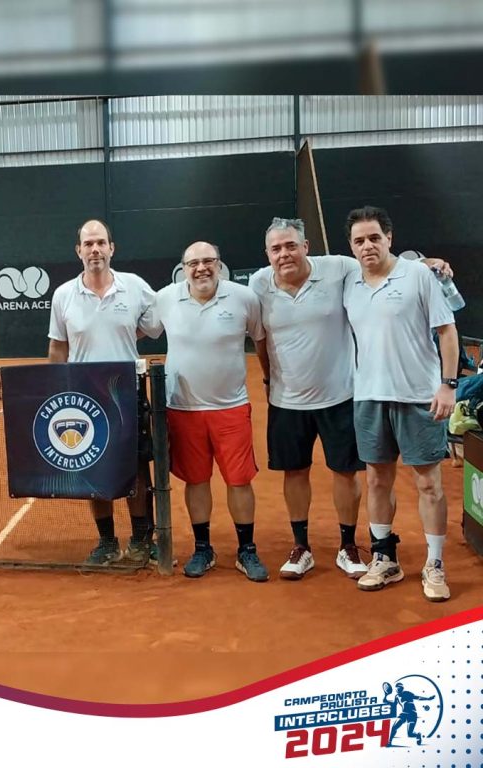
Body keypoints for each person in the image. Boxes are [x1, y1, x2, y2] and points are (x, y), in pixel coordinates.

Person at [343, 206, 458, 601]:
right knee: (377, 480)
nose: (367, 246)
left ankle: (435, 563)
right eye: (359, 240)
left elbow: (447, 331)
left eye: (375, 237)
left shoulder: (418, 276)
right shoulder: (349, 282)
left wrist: (448, 385)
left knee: (428, 483)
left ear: (389, 238)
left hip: (418, 397)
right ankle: (384, 558)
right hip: (369, 397)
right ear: (351, 247)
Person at [249, 218, 368, 580]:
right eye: (276, 249)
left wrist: (424, 263)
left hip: (340, 396)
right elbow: (260, 341)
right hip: (287, 400)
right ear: (267, 253)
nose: (284, 254)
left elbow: (381, 265)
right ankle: (301, 547)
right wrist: (268, 379)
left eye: (290, 246)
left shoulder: (340, 268)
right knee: (295, 471)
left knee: (345, 471)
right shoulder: (259, 284)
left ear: (306, 246)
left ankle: (348, 546)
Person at [149, 242, 269, 581]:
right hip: (183, 409)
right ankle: (203, 549)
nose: (201, 268)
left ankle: (247, 550)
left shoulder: (244, 298)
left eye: (208, 261)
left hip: (231, 408)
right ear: (183, 268)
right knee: (196, 480)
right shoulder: (165, 298)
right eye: (193, 263)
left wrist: (269, 378)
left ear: (219, 264)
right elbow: (143, 328)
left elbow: (260, 339)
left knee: (239, 480)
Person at [48, 219, 156, 565]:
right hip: (84, 399)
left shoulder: (135, 286)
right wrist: (57, 394)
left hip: (128, 394)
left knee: (137, 470)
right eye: (88, 244)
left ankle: (142, 540)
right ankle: (107, 542)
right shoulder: (63, 295)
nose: (95, 249)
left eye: (100, 243)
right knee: (93, 469)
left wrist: (123, 334)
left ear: (112, 248)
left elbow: (154, 324)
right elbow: (58, 348)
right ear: (78, 251)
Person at [384, 681, 435, 746]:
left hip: (412, 714)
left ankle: (417, 735)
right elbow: (394, 705)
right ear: (396, 689)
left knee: (410, 734)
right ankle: (389, 742)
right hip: (403, 713)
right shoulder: (396, 696)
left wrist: (428, 698)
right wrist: (387, 701)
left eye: (400, 688)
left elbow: (418, 697)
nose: (398, 689)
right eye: (397, 688)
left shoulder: (407, 693)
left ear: (402, 689)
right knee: (394, 727)